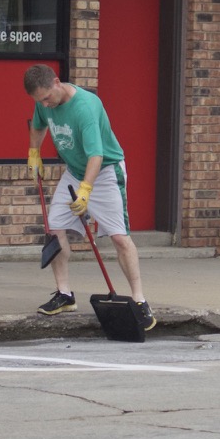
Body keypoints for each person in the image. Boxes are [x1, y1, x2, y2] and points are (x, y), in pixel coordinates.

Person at [24, 64, 154, 329]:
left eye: (47, 98)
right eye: (40, 101)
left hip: (105, 172)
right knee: (55, 230)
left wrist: (85, 191)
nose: (45, 105)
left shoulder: (85, 107)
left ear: (57, 82)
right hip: (74, 171)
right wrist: (33, 152)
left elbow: (97, 155)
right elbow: (38, 126)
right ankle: (64, 294)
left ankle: (139, 299)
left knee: (119, 237)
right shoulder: (43, 103)